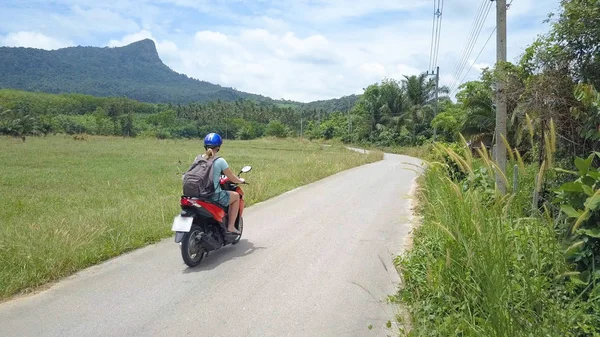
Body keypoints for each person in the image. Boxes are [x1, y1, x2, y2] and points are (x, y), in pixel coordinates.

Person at [202, 133, 244, 235]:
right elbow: (232, 178)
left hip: (198, 194)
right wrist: (240, 180)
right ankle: (230, 227)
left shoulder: (198, 158)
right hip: (213, 195)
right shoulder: (220, 161)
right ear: (219, 147)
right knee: (236, 196)